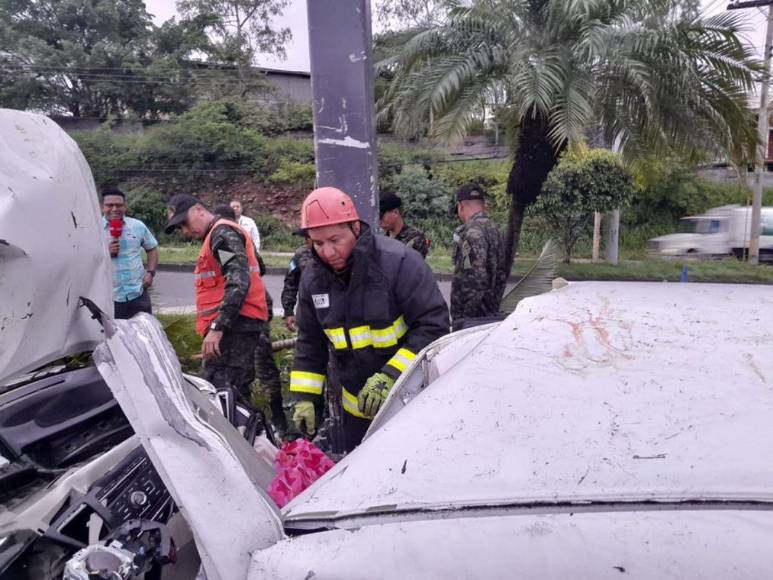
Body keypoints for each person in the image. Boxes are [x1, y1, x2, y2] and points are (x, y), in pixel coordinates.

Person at [290, 187, 449, 452]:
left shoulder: (398, 262)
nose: (328, 252)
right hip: (356, 415)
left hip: (409, 403)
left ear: (355, 227)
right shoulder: (313, 280)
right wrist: (304, 398)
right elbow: (310, 343)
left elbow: (433, 326)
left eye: (335, 240)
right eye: (318, 244)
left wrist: (391, 376)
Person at [165, 195, 270, 412]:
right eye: (179, 228)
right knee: (234, 393)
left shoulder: (221, 235)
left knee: (222, 394)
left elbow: (238, 281)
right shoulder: (220, 234)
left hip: (233, 327)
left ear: (199, 209)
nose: (184, 231)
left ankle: (243, 440)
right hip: (236, 325)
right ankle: (253, 440)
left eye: (184, 223)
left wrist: (218, 327)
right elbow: (257, 267)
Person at [213, 204, 289, 435]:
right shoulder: (243, 238)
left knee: (243, 375)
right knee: (263, 369)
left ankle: (257, 426)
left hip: (246, 315)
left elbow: (237, 276)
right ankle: (276, 422)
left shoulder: (224, 238)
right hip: (258, 310)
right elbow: (261, 268)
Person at [450, 183, 507, 328]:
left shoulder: (472, 233)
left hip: (473, 319)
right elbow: (501, 275)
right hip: (491, 313)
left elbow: (475, 278)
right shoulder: (496, 230)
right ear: (483, 205)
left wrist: (465, 317)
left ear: (461, 206)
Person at [101, 185, 159, 319]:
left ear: (125, 206)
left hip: (138, 294)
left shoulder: (137, 226)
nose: (115, 209)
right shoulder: (93, 228)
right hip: (109, 298)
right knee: (114, 338)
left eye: (119, 205)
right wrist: (105, 252)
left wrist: (150, 273)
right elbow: (84, 260)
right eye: (110, 205)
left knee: (143, 335)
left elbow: (152, 249)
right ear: (102, 206)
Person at [378, 192, 430, 258]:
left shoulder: (415, 239)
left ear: (395, 213)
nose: (379, 222)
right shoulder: (381, 238)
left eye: (381, 217)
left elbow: (413, 266)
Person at [280, 231, 314, 332]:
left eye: (308, 237)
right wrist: (288, 311)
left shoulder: (333, 254)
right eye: (305, 237)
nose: (306, 240)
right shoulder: (300, 254)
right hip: (307, 311)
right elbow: (290, 283)